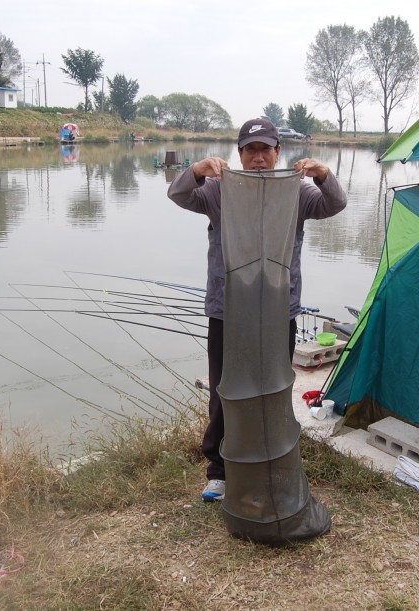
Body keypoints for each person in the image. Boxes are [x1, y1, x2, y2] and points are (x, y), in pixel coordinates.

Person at [167, 118, 347, 502]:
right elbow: (178, 194)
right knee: (224, 390)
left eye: (266, 149)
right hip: (228, 310)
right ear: (240, 154)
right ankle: (219, 471)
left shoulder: (297, 193)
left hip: (278, 309)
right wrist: (197, 170)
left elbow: (334, 203)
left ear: (278, 152)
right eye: (251, 150)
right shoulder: (218, 190)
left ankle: (271, 461)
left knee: (275, 389)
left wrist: (322, 174)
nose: (259, 157)